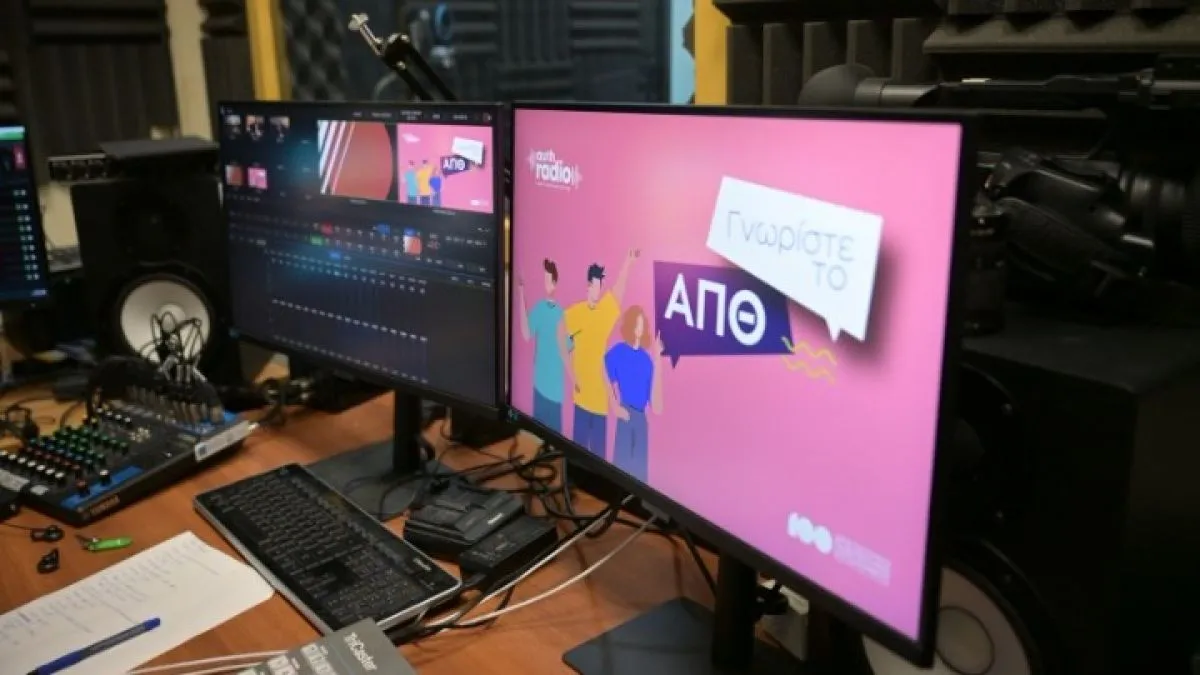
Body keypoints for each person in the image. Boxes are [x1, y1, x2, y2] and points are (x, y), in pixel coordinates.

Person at [561, 249, 639, 457]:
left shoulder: (604, 313)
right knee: (576, 456)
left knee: (598, 459)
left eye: (600, 286)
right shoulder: (575, 313)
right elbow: (561, 339)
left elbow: (619, 291)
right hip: (581, 401)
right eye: (595, 285)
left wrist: (628, 262)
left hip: (600, 405)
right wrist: (572, 374)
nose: (598, 290)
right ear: (588, 286)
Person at [604, 307, 664, 482]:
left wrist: (658, 358)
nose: (640, 328)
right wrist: (614, 405)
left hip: (641, 419)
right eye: (637, 324)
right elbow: (602, 370)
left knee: (639, 476)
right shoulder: (619, 351)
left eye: (642, 324)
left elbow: (657, 405)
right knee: (620, 471)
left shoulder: (647, 360)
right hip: (625, 414)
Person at [517, 259, 567, 432]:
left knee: (556, 438)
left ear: (555, 283)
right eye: (544, 279)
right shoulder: (539, 308)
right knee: (538, 434)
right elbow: (526, 333)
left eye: (548, 280)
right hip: (539, 387)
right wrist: (521, 291)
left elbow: (568, 348)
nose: (545, 283)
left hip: (555, 392)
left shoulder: (562, 314)